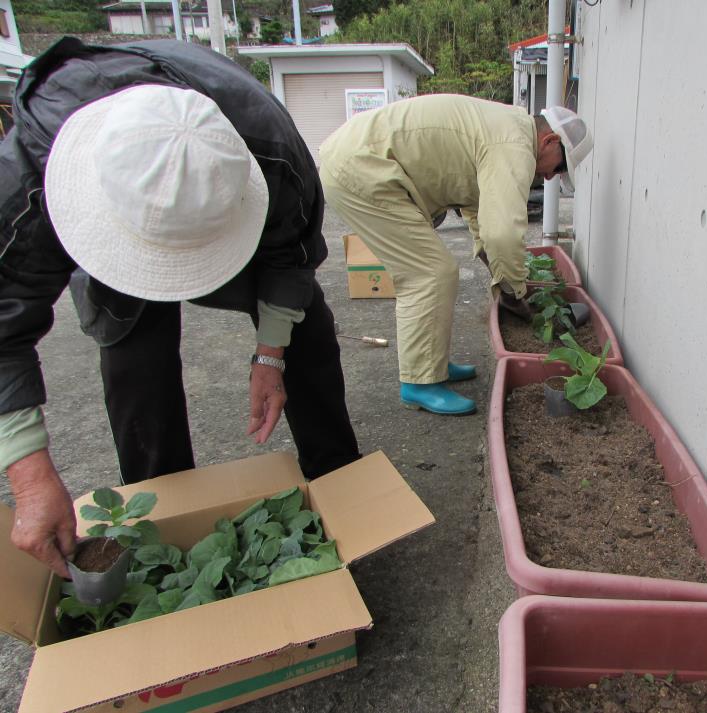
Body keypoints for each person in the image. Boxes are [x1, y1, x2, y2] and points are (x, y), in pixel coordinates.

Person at [0, 38, 360, 578]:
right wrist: (28, 475)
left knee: (306, 324)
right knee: (133, 359)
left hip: (233, 201)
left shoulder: (275, 152)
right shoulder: (32, 172)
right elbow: (4, 325)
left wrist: (270, 355)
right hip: (108, 220)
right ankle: (164, 520)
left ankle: (344, 490)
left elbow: (292, 257)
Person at [320, 94, 593, 416]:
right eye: (559, 167)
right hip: (361, 170)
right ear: (549, 140)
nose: (550, 177)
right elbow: (503, 231)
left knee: (435, 270)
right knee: (429, 273)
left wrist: (492, 262)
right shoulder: (514, 143)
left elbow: (478, 206)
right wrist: (514, 290)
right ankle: (419, 383)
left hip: (361, 162)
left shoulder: (506, 129)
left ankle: (431, 363)